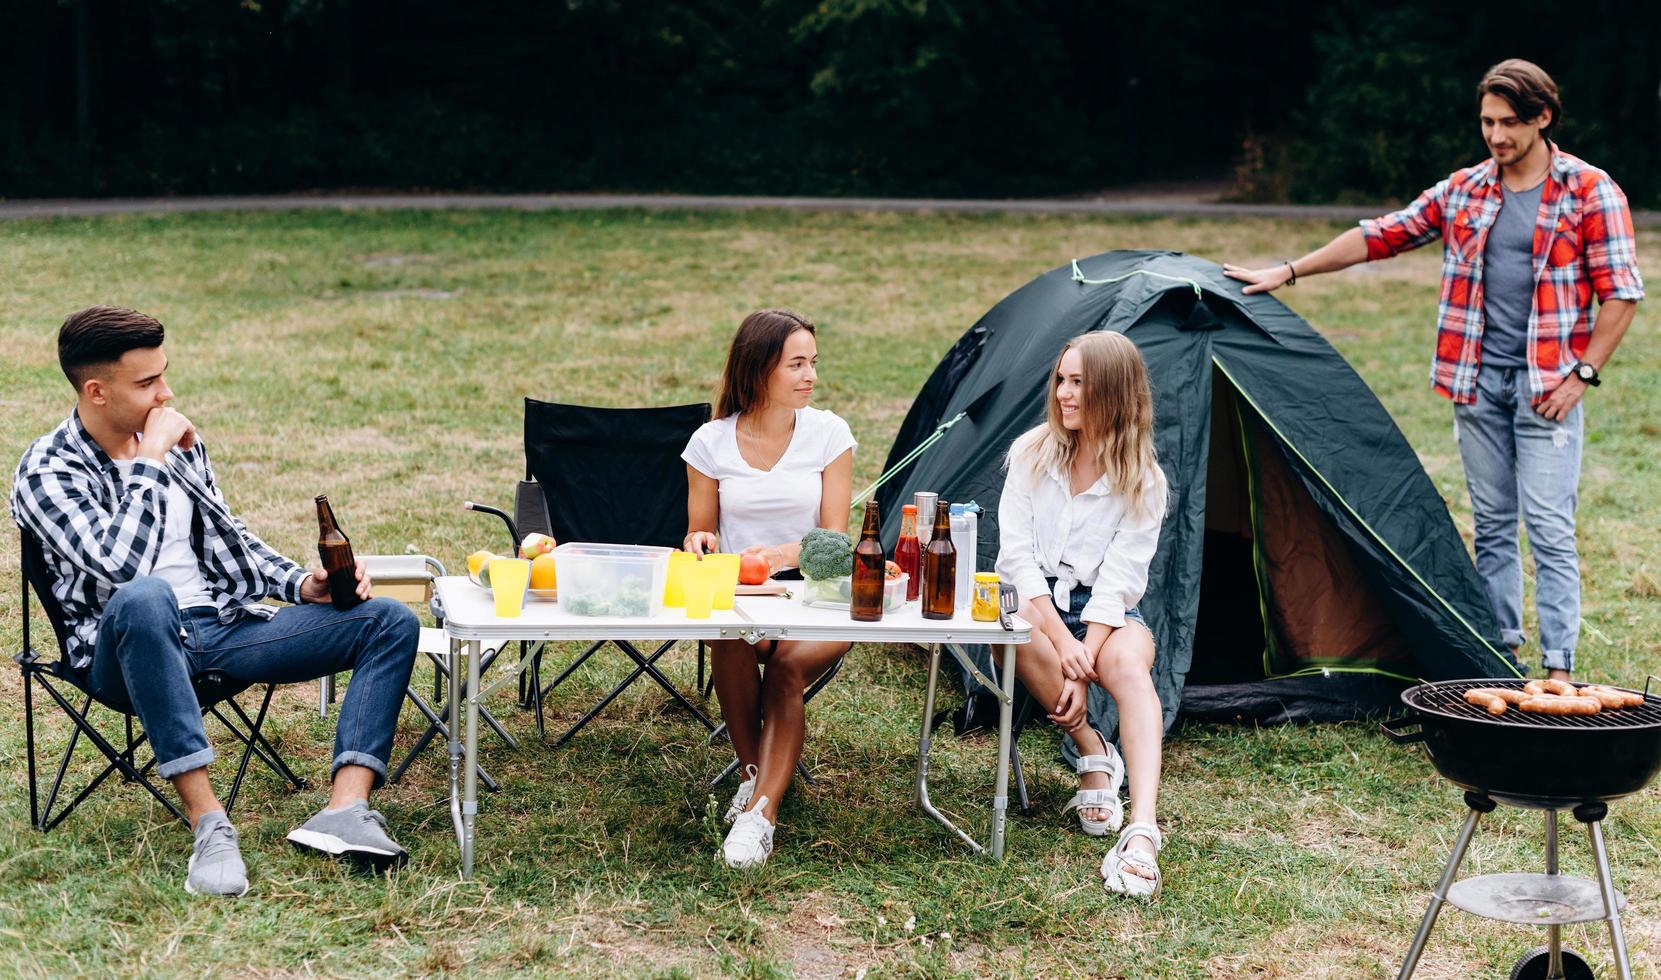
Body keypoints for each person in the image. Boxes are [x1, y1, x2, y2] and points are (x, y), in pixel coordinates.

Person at [1224, 59, 1642, 682]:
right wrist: (1287, 271)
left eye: (1508, 123)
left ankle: (1559, 667)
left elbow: (1622, 293)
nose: (1496, 136)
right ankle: (1499, 657)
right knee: (1493, 526)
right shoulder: (1467, 189)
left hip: (1547, 389)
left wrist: (1581, 374)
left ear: (1542, 118)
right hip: (1474, 386)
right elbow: (1380, 235)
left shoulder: (1589, 191)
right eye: (1487, 122)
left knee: (1550, 530)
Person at [11, 306, 421, 897]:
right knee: (147, 595)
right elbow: (119, 566)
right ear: (96, 391)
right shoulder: (48, 468)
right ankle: (210, 826)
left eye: (165, 375)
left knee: (387, 620)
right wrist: (150, 461)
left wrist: (302, 586)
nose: (167, 394)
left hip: (220, 633)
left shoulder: (179, 449)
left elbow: (230, 546)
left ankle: (345, 811)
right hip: (124, 651)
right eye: (148, 383)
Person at [681, 308, 856, 869]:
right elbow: (699, 529)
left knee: (784, 667)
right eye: (796, 365)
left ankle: (760, 815)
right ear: (760, 370)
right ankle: (757, 776)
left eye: (813, 364)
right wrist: (702, 543)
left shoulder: (829, 434)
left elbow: (834, 542)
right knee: (727, 637)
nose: (810, 377)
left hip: (818, 597)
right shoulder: (710, 442)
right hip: (742, 596)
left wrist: (781, 555)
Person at [996, 331, 1169, 898]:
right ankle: (1093, 749)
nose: (1065, 394)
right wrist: (1059, 642)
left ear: (1114, 394)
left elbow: (1118, 584)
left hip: (1106, 612)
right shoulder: (1030, 453)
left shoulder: (1144, 479)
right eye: (1061, 380)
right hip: (1035, 602)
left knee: (1127, 668)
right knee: (1014, 634)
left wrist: (1083, 654)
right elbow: (1018, 561)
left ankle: (1143, 826)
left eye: (1079, 383)